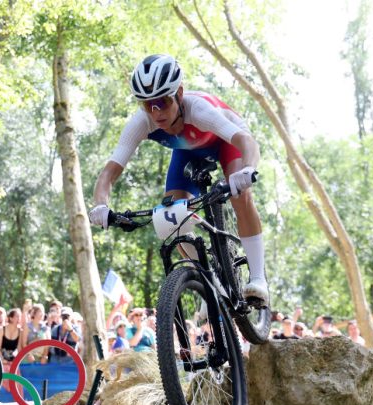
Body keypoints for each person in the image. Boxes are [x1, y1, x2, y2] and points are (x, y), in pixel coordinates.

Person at [88, 54, 268, 307]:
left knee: (240, 195)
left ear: (179, 93)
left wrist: (248, 169)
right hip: (187, 150)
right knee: (171, 217)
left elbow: (245, 141)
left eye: (162, 101)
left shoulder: (199, 109)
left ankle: (258, 279)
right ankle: (212, 278)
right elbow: (109, 172)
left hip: (227, 141)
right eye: (147, 104)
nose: (155, 111)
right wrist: (100, 205)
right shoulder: (143, 122)